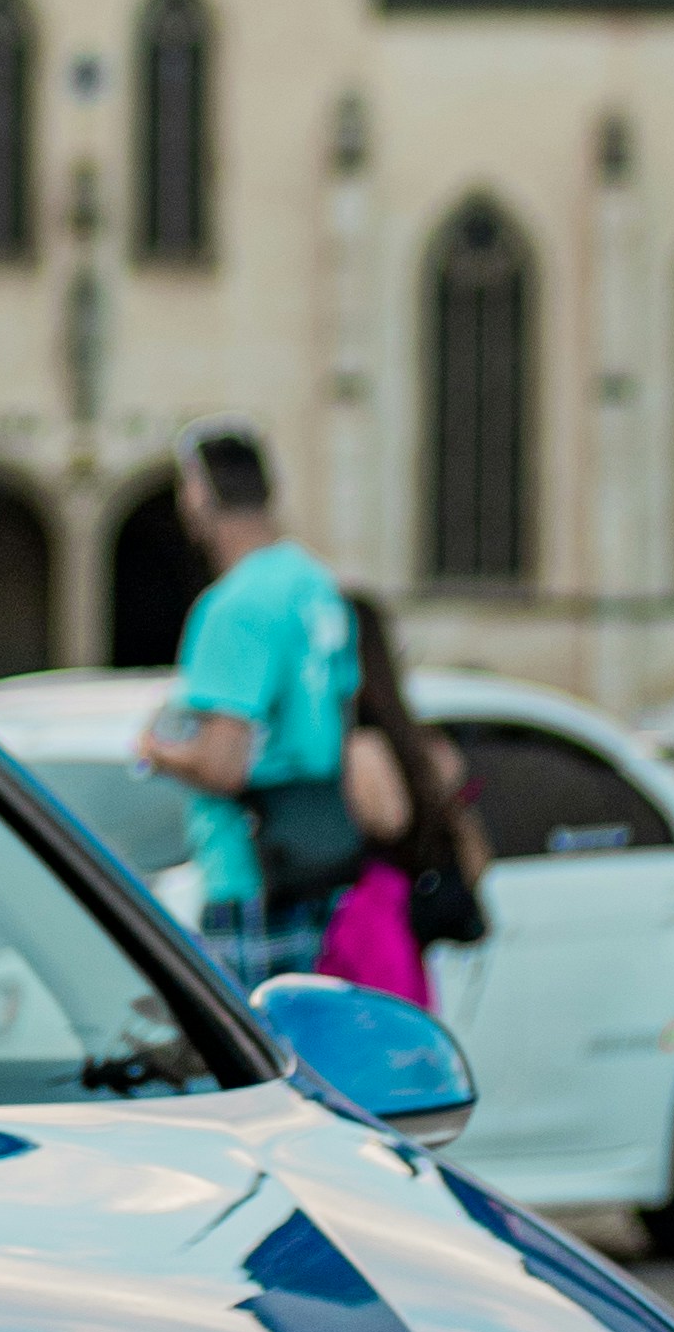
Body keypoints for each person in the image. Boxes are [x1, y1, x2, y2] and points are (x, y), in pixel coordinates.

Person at [138, 429, 358, 974]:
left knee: (250, 1027)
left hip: (248, 875)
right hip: (319, 861)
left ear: (200, 493)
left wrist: (154, 750)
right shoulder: (315, 585)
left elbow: (223, 765)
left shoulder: (235, 606)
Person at [321, 585, 490, 1006]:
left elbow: (389, 819)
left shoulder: (357, 745)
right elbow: (473, 860)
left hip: (364, 933)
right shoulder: (417, 744)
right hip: (396, 936)